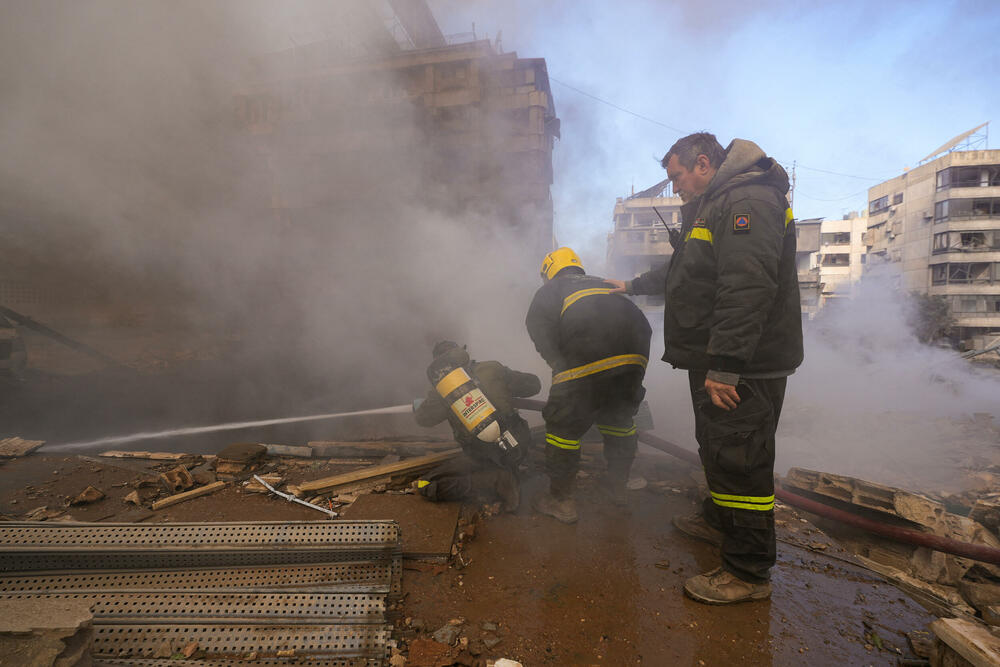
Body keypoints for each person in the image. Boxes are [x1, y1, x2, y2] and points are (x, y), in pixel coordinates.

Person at [609, 132, 803, 604]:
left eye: (676, 177)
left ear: (701, 163)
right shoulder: (716, 204)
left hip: (744, 367)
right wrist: (631, 284)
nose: (674, 188)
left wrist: (726, 365)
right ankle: (718, 519)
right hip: (725, 360)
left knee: (740, 459)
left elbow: (747, 286)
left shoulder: (747, 200)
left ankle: (748, 572)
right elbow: (686, 272)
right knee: (719, 448)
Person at [525, 247, 652, 524]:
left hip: (586, 358)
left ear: (549, 271)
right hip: (634, 358)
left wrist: (559, 364)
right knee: (618, 421)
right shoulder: (605, 283)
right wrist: (634, 364)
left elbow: (537, 327)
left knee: (563, 428)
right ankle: (618, 488)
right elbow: (641, 323)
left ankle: (560, 501)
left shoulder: (552, 289)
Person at [412, 340, 540, 512]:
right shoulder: (492, 368)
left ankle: (498, 480)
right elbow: (533, 385)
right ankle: (506, 473)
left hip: (484, 456)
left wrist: (419, 405)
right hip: (519, 445)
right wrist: (504, 381)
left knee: (427, 484)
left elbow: (422, 419)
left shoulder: (443, 391)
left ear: (438, 365)